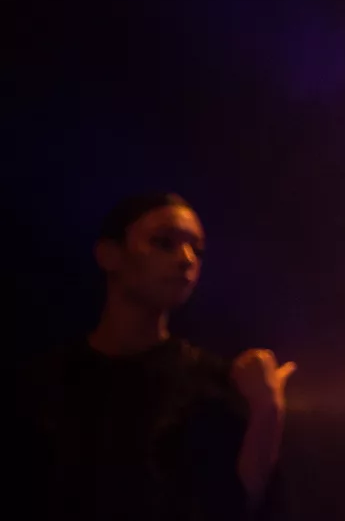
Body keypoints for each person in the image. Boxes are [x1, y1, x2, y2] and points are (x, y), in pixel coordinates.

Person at [17, 192, 295, 520]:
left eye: (198, 250)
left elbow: (242, 507)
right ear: (109, 255)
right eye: (164, 242)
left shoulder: (213, 384)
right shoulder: (41, 383)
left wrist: (267, 412)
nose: (187, 259)